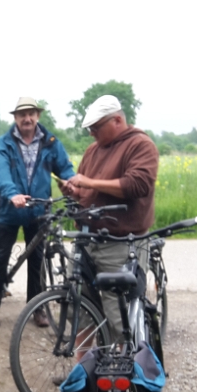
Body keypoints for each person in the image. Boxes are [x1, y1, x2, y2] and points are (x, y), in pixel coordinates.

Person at [62, 94, 159, 339]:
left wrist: (89, 182)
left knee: (119, 314)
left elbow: (138, 184)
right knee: (80, 308)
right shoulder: (93, 150)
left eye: (96, 127)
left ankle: (126, 370)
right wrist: (75, 192)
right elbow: (88, 191)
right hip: (87, 240)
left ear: (116, 120)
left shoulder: (140, 145)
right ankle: (82, 371)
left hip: (120, 242)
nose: (91, 134)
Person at [0, 97, 75, 327]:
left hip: (38, 208)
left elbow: (64, 167)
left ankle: (36, 308)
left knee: (37, 260)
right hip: (11, 208)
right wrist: (11, 193)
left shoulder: (50, 142)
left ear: (38, 116)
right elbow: (0, 172)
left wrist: (70, 183)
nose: (27, 118)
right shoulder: (4, 143)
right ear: (15, 118)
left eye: (31, 113)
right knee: (1, 257)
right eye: (22, 114)